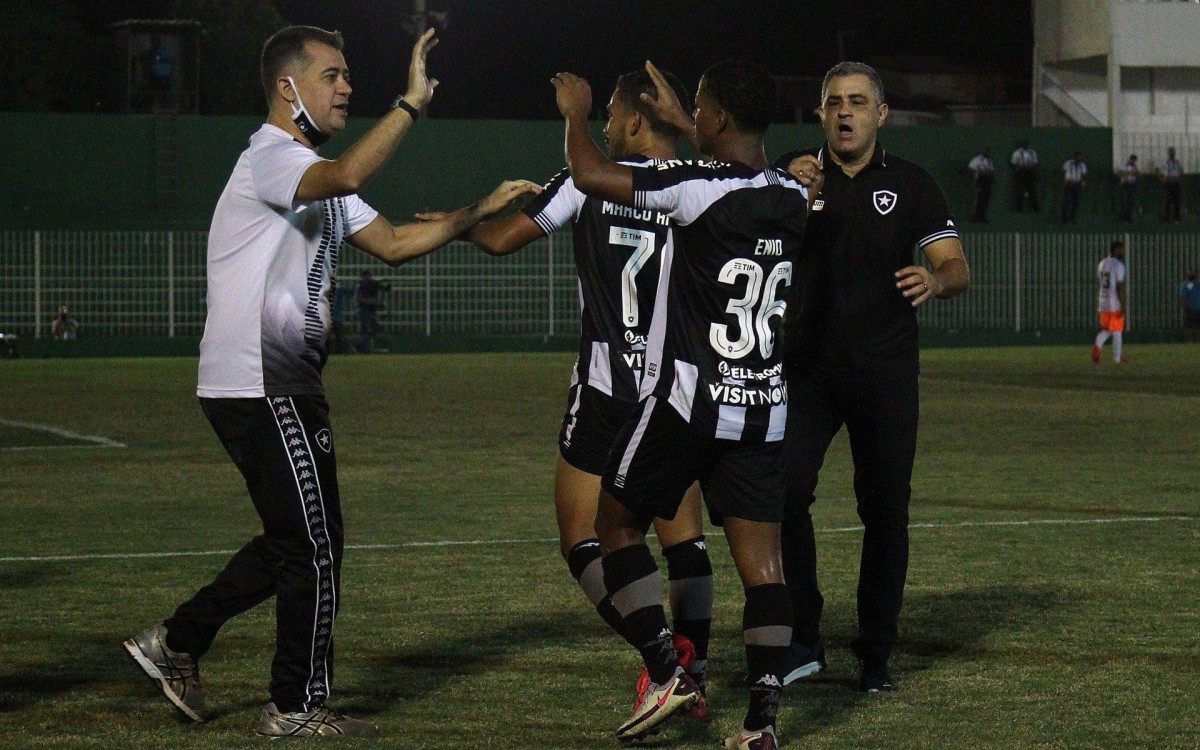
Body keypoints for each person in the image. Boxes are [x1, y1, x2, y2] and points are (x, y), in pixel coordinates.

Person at [122, 25, 540, 737]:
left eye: (347, 75)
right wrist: (410, 105)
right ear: (288, 88)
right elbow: (347, 176)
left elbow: (395, 244)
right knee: (314, 545)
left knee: (298, 540)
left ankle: (176, 641)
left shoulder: (310, 173)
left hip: (273, 381)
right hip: (263, 380)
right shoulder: (272, 159)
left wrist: (476, 213)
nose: (346, 87)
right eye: (332, 76)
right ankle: (294, 706)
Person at [554, 59, 815, 750]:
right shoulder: (791, 194)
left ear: (718, 117)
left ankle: (666, 669)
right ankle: (762, 723)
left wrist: (576, 113)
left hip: (689, 402)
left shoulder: (694, 186)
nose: (690, 113)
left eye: (700, 105)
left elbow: (592, 174)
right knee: (764, 569)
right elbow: (738, 175)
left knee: (613, 525)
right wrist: (685, 122)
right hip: (761, 406)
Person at [438, 68, 716, 714]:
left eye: (613, 114)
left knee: (583, 538)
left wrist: (457, 224)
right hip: (676, 390)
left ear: (633, 122)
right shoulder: (702, 184)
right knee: (683, 538)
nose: (608, 125)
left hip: (606, 389)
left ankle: (662, 662)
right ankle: (694, 673)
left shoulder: (588, 181)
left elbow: (502, 238)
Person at [775, 62, 969, 693]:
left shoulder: (911, 184)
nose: (845, 112)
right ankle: (803, 637)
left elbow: (955, 266)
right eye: (834, 101)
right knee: (783, 495)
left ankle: (876, 651)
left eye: (858, 102)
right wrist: (784, 193)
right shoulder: (792, 174)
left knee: (885, 512)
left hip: (886, 375)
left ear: (881, 114)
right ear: (820, 112)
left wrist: (934, 279)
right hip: (805, 372)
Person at [1092, 240, 1128, 363]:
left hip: (1103, 300)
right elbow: (1119, 286)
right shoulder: (1118, 265)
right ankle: (1117, 358)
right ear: (1116, 250)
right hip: (1113, 302)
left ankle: (1098, 347)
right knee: (1117, 330)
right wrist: (1122, 304)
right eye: (1121, 250)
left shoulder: (1102, 263)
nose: (1122, 252)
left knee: (1108, 329)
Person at [354, 269, 390, 352]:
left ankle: (362, 346)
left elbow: (385, 288)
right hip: (364, 310)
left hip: (370, 310)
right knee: (370, 329)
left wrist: (386, 284)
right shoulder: (361, 284)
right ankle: (361, 345)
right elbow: (359, 298)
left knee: (368, 329)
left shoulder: (372, 283)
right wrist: (371, 301)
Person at [966, 148, 994, 223]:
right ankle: (975, 216)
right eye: (986, 151)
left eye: (988, 152)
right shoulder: (977, 159)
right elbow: (970, 168)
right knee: (979, 198)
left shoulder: (989, 161)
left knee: (985, 199)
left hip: (987, 181)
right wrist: (977, 175)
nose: (988, 153)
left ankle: (982, 216)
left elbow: (991, 171)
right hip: (980, 181)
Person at [1011, 139, 1039, 213]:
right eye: (1024, 143)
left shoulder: (1032, 152)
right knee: (1020, 190)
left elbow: (1035, 162)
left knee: (1032, 190)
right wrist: (1019, 167)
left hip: (1030, 172)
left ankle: (1035, 208)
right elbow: (1013, 163)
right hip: (1020, 172)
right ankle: (1019, 208)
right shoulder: (1017, 152)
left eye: (1026, 143)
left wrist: (1031, 168)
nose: (1025, 144)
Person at [1158, 147, 1184, 223]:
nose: (1172, 153)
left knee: (1177, 201)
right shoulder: (1165, 163)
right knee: (1168, 201)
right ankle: (1167, 218)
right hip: (1168, 183)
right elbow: (1160, 173)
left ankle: (1177, 218)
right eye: (1171, 152)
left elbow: (1181, 171)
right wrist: (1163, 180)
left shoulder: (1178, 162)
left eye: (1173, 152)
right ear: (1168, 153)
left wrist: (1179, 177)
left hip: (1176, 183)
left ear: (1174, 153)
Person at [1061, 151, 1087, 225]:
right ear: (1075, 157)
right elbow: (1064, 173)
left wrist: (1082, 182)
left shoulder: (1083, 165)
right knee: (1067, 202)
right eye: (1078, 157)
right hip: (1069, 184)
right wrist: (1065, 181)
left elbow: (1083, 175)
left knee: (1075, 203)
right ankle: (1065, 220)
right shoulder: (1067, 163)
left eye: (1080, 158)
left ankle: (1072, 219)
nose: (1079, 159)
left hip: (1077, 185)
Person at [1118, 154, 1139, 221]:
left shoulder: (1135, 167)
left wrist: (1135, 174)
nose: (1134, 162)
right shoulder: (1125, 166)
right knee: (1125, 200)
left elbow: (1136, 174)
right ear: (1131, 159)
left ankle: (1130, 216)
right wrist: (1128, 173)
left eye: (1135, 161)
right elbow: (1121, 173)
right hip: (1126, 184)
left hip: (1132, 184)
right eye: (1133, 160)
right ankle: (1125, 216)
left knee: (1131, 201)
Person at [1182, 269, 1200, 343]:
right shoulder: (1198, 285)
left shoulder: (1186, 285)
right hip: (1196, 308)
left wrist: (1185, 308)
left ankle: (1191, 340)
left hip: (1190, 308)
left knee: (1190, 325)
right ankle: (1194, 339)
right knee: (1195, 325)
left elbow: (1184, 298)